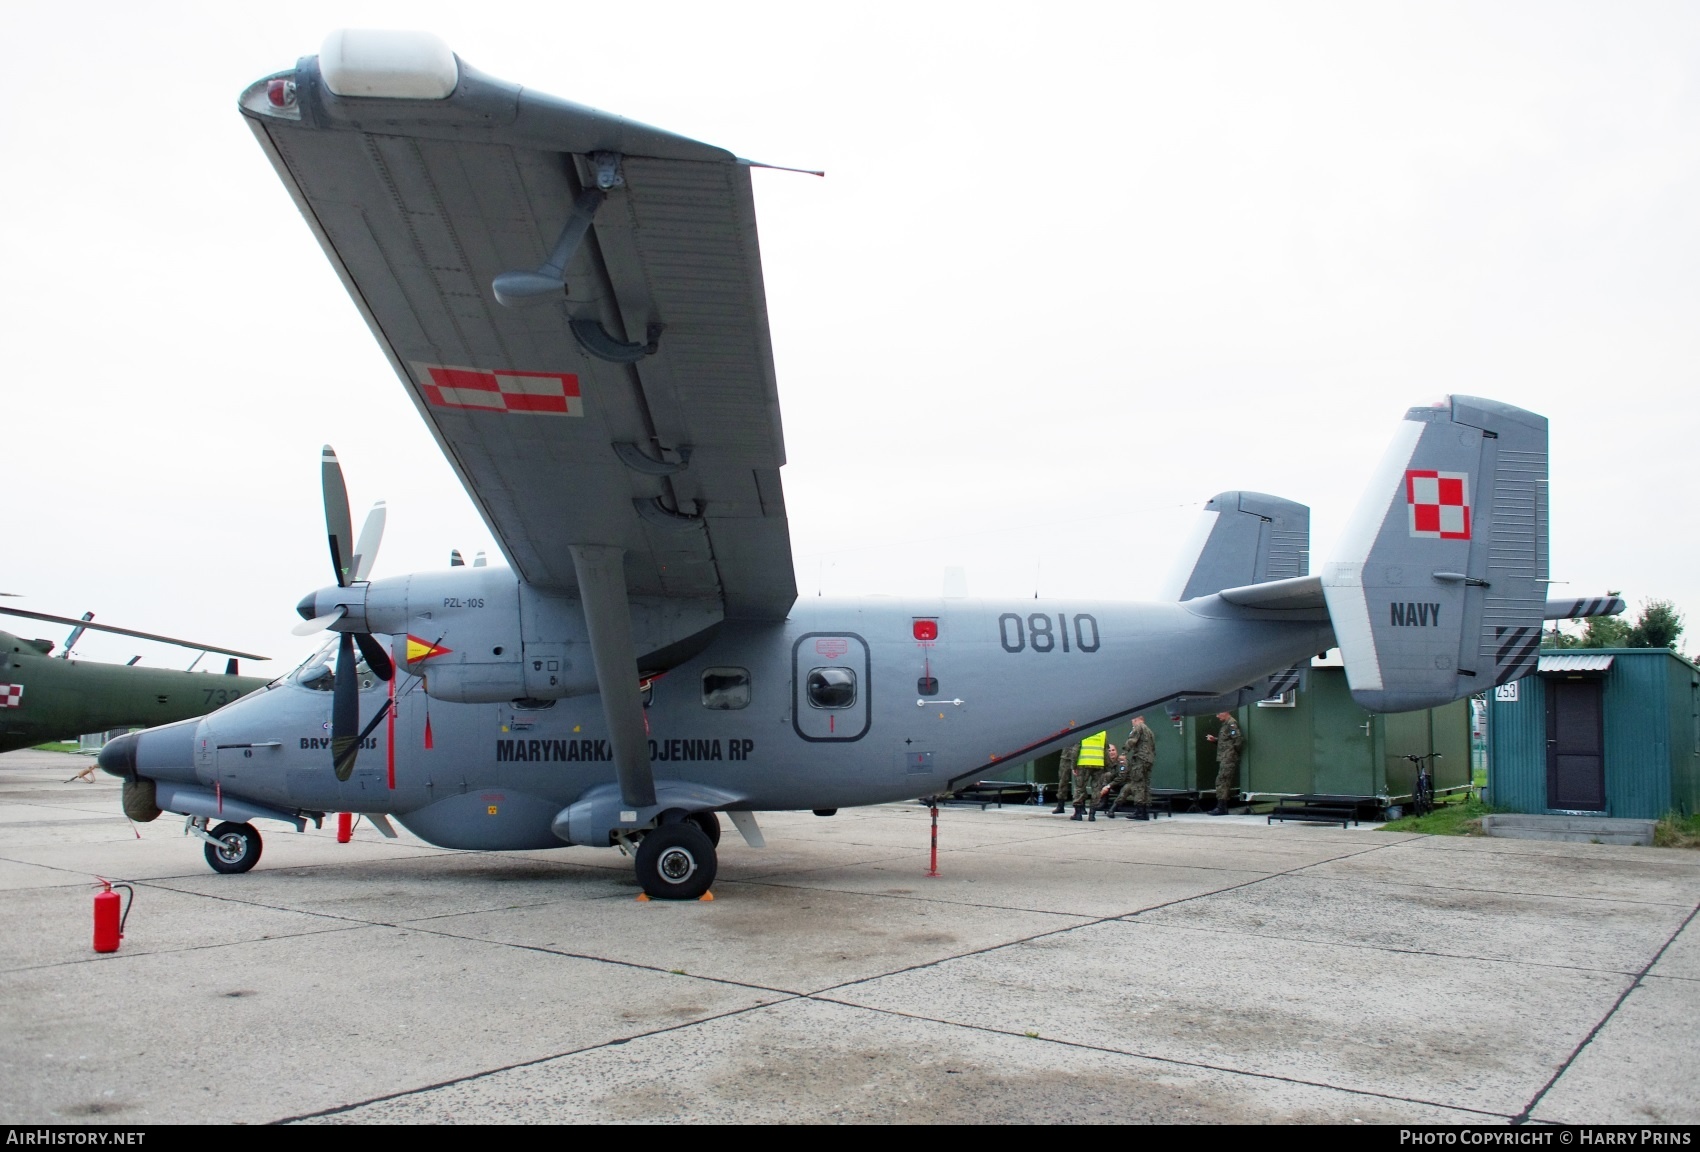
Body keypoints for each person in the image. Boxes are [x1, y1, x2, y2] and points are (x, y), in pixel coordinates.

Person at [1110, 715, 1156, 819]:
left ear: (1135, 719)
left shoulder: (1138, 727)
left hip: (1140, 759)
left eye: (1132, 721)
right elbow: (1153, 748)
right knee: (1145, 784)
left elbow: (1132, 740)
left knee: (1137, 784)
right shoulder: (1149, 731)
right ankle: (1145, 811)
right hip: (1148, 760)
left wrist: (1124, 753)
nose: (1132, 723)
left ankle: (1139, 810)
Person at [1205, 710, 1243, 815]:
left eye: (1219, 713)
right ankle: (1221, 806)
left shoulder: (1231, 724)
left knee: (1222, 780)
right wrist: (1215, 740)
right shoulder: (1226, 724)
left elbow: (1237, 740)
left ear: (1225, 712)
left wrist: (1232, 752)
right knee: (1222, 780)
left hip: (1228, 758)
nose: (1217, 716)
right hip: (1225, 757)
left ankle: (1221, 807)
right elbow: (1227, 741)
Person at [1072, 730, 1108, 821]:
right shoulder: (1102, 732)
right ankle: (1092, 814)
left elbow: (1076, 749)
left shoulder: (1083, 730)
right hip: (1098, 764)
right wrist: (1106, 766)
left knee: (1079, 788)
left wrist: (1073, 765)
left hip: (1083, 763)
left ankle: (1078, 814)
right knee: (1096, 789)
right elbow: (1105, 750)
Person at [1051, 742, 1079, 814]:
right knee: (1062, 781)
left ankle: (1080, 807)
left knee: (1079, 782)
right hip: (1066, 755)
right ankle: (1060, 805)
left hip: (1078, 756)